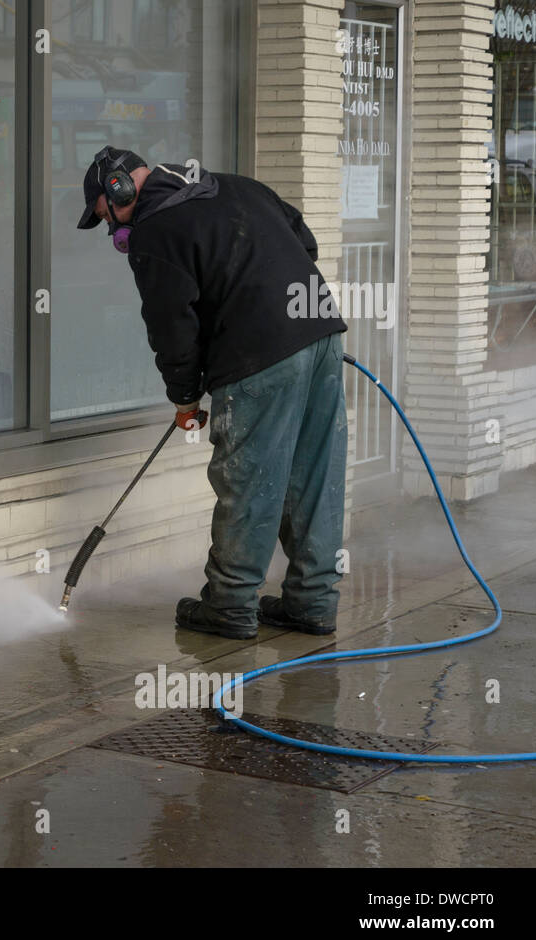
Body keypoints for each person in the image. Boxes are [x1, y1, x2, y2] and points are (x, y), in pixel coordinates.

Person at [76, 147, 348, 640]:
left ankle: (229, 605)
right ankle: (313, 602)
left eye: (106, 218)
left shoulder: (154, 233)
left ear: (118, 190)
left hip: (260, 356)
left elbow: (171, 330)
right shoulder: (235, 185)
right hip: (320, 335)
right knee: (313, 474)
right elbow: (303, 243)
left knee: (248, 477)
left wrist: (185, 398)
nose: (114, 233)